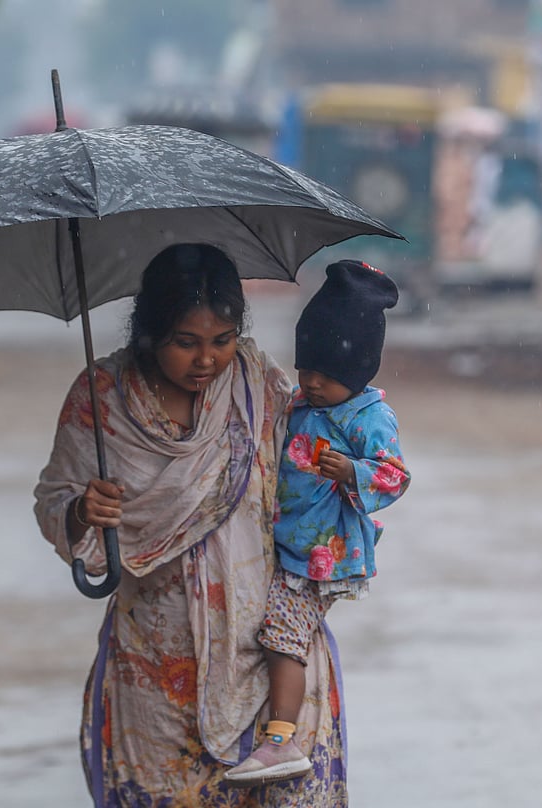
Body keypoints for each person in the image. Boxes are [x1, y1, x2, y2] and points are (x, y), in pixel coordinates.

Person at [34, 243, 351, 805]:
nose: (207, 360)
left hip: (271, 653)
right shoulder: (101, 397)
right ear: (151, 333)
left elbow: (308, 477)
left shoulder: (257, 383)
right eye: (187, 343)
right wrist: (85, 510)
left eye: (221, 341)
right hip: (158, 666)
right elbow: (54, 500)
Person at [224, 260, 411, 787]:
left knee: (283, 634)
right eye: (306, 369)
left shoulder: (369, 416)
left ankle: (280, 740)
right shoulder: (303, 403)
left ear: (358, 371)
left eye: (326, 375)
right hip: (285, 541)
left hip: (324, 553)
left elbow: (395, 476)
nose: (311, 382)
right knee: (262, 629)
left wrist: (354, 470)